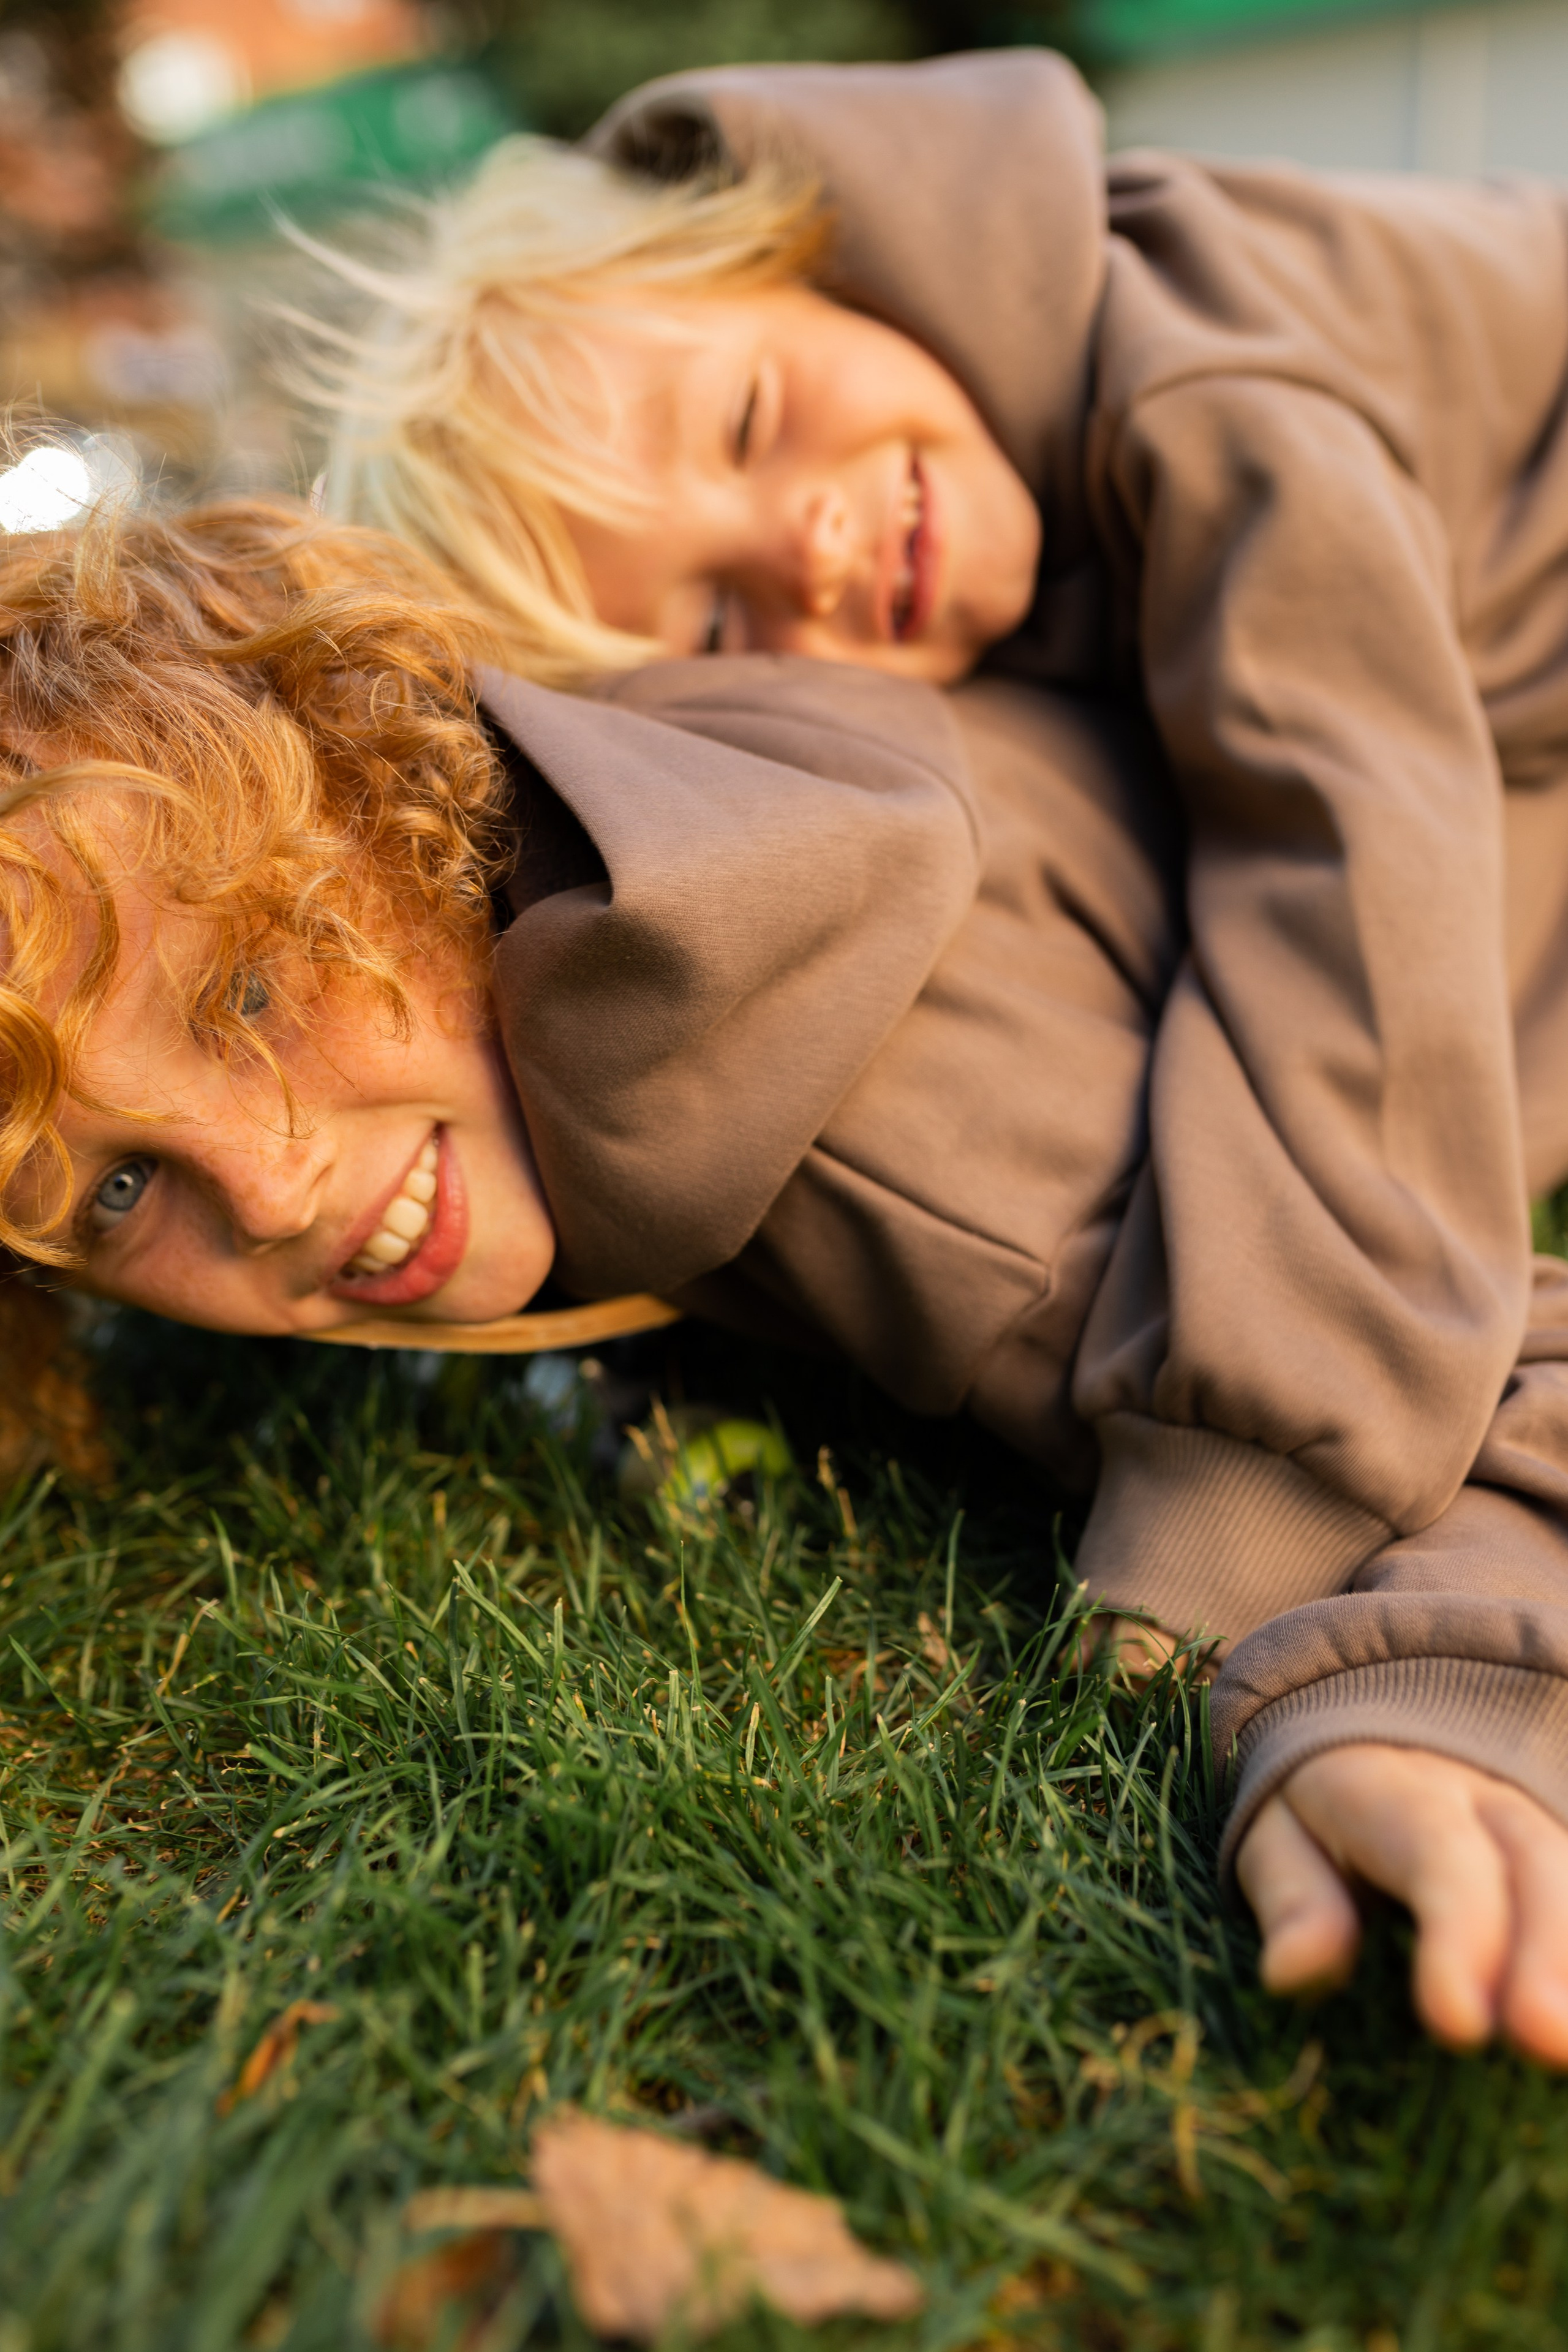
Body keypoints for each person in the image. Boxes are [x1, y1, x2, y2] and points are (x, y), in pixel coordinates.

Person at [10, 46, 1568, 2064]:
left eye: (242, 993)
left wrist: (1370, 1656)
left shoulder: (1207, 379)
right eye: (119, 1188)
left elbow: (1361, 915)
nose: (280, 1181)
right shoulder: (917, 652)